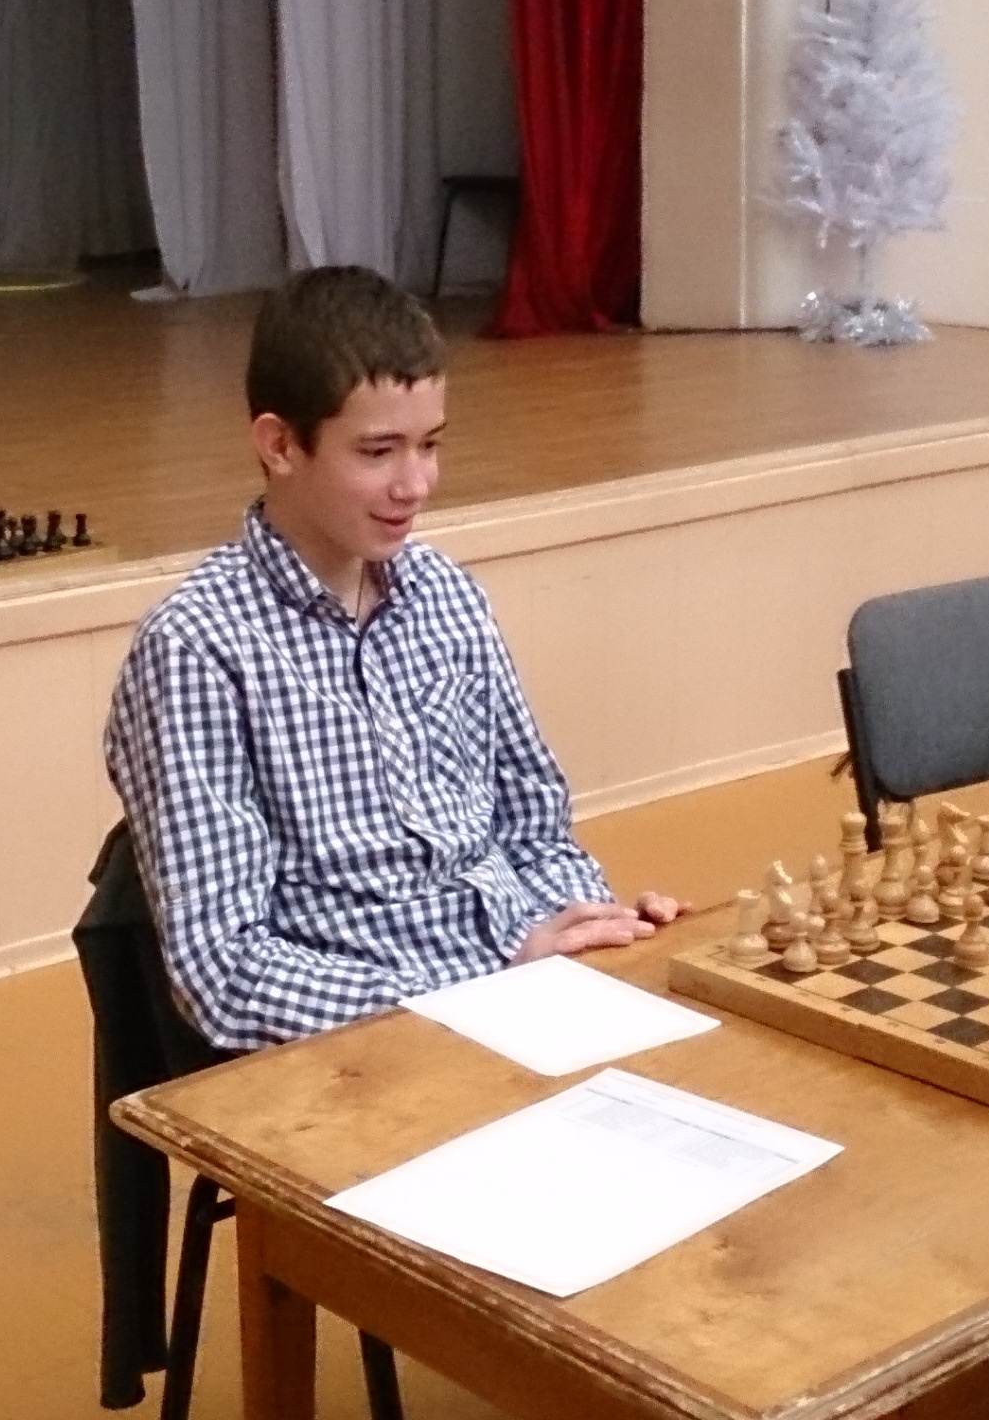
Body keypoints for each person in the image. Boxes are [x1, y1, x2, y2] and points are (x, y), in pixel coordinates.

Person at [103, 266, 682, 1052]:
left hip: (518, 995)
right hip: (374, 1044)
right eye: (378, 452)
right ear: (280, 445)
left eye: (430, 445)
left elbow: (535, 828)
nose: (416, 484)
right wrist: (482, 992)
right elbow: (226, 969)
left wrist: (588, 930)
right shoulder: (197, 648)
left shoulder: (445, 593)